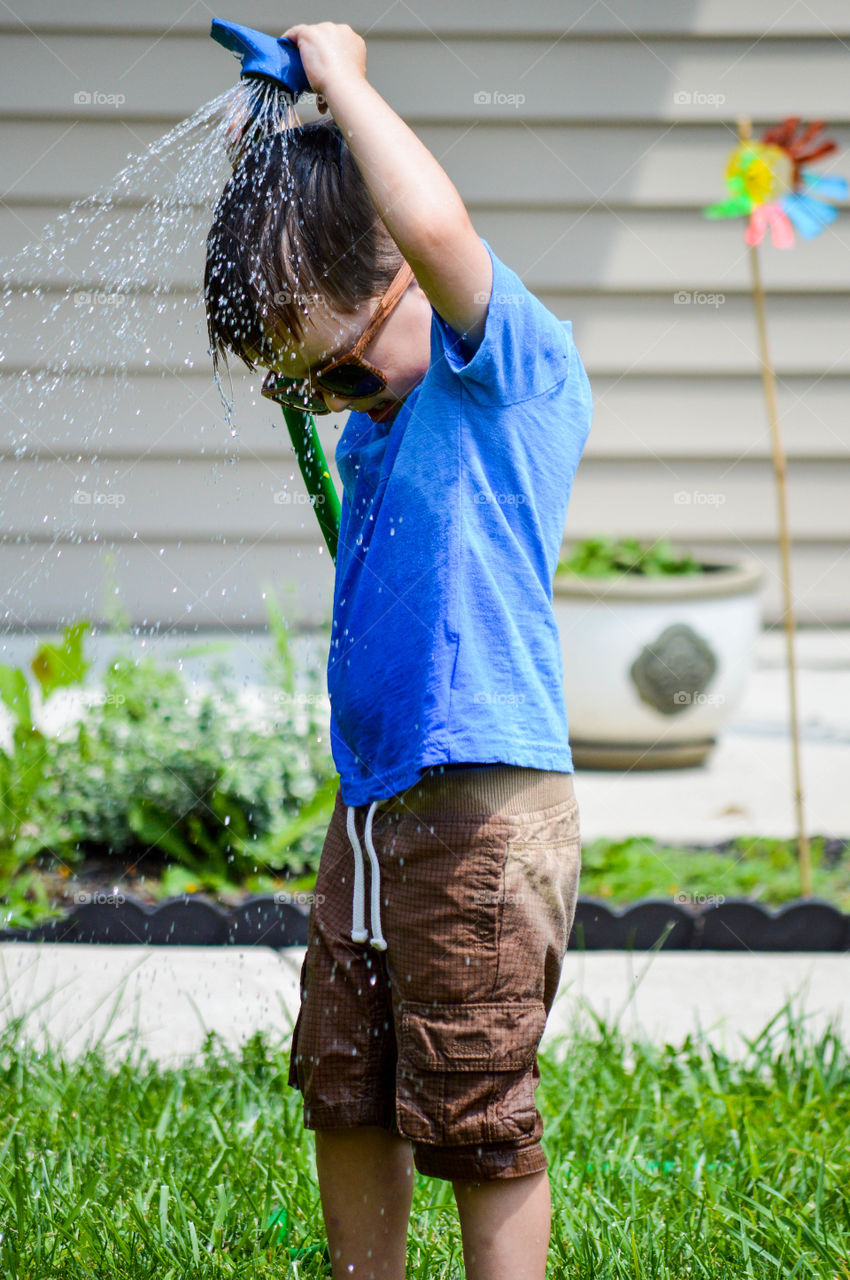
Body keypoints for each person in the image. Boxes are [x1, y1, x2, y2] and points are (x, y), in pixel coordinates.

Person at [204, 21, 593, 1280]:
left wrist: (350, 92)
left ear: (416, 283)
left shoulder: (504, 370)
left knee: (475, 1108)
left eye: (348, 366)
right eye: (310, 389)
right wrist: (271, 170)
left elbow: (429, 223)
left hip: (484, 812)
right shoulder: (383, 416)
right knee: (345, 1077)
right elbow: (341, 295)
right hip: (375, 808)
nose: (343, 402)